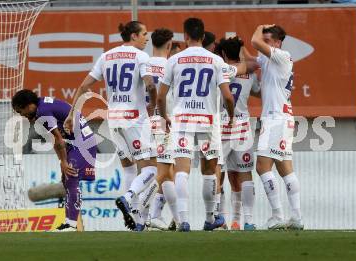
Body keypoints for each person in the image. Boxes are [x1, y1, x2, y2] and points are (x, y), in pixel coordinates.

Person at [64, 21, 158, 231]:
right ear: (133, 36)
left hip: (113, 119)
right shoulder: (141, 57)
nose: (147, 38)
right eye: (144, 34)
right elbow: (150, 84)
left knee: (129, 168)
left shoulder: (106, 56)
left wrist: (72, 114)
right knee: (151, 168)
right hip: (135, 119)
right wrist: (152, 105)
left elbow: (85, 85)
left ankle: (136, 222)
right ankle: (128, 198)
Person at [158, 17, 235, 232]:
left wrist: (164, 117)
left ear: (185, 36)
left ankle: (183, 220)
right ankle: (210, 218)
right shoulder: (216, 61)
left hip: (182, 120)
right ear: (203, 36)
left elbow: (160, 96)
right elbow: (228, 97)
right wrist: (231, 116)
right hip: (208, 121)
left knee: (182, 169)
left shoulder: (174, 60)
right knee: (209, 170)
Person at [12, 90, 97, 232]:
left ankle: (71, 224)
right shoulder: (42, 106)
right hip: (75, 143)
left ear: (29, 105)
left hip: (83, 143)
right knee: (66, 180)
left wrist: (64, 162)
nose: (23, 116)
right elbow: (55, 140)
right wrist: (61, 161)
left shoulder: (43, 112)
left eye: (22, 111)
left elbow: (58, 139)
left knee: (71, 177)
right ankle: (69, 222)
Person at [251, 24, 303, 230]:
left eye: (268, 39)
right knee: (285, 169)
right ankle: (297, 217)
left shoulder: (282, 55)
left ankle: (277, 215)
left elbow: (255, 42)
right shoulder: (270, 58)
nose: (263, 42)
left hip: (276, 119)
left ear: (277, 43)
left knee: (262, 166)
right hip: (282, 117)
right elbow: (252, 59)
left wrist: (259, 27)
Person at [215, 37, 260, 231]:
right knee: (244, 173)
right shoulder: (249, 74)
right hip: (242, 127)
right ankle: (247, 221)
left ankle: (219, 219)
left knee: (218, 173)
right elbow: (259, 92)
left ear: (223, 54)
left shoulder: (219, 71)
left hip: (221, 127)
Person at [143, 28, 181, 231]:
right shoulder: (172, 65)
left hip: (144, 123)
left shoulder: (144, 64)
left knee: (165, 173)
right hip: (164, 122)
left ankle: (168, 218)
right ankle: (146, 214)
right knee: (164, 172)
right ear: (169, 45)